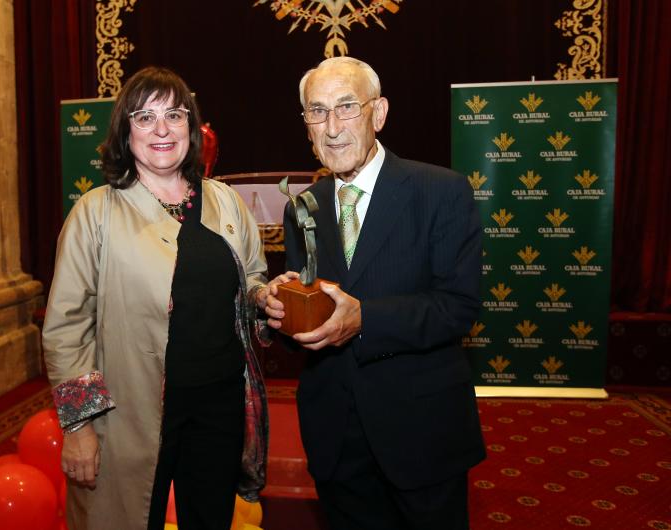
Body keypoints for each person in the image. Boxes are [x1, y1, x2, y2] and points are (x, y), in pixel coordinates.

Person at [261, 57, 486, 529]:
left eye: (347, 107)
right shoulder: (305, 207)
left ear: (378, 114)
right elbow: (311, 316)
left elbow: (457, 308)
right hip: (336, 436)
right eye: (317, 112)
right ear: (306, 126)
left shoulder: (441, 192)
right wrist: (280, 310)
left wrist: (366, 319)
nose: (333, 127)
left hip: (421, 432)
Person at [42, 66, 269, 530]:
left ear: (192, 125)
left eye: (174, 114)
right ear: (126, 132)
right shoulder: (95, 213)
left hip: (219, 407)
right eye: (144, 117)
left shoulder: (226, 201)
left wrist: (269, 298)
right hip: (127, 415)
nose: (162, 129)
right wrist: (80, 425)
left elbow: (252, 282)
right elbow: (67, 328)